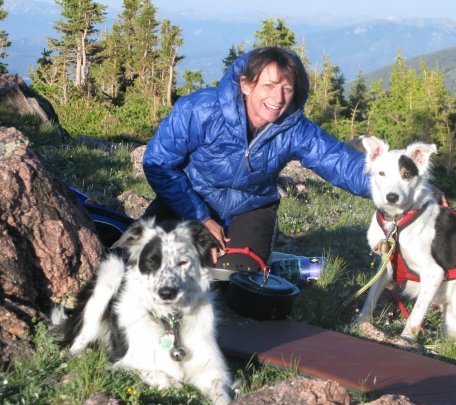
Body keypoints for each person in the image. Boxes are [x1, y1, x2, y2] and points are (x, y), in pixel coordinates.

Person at [143, 46, 371, 272]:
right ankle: (263, 258)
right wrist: (200, 219)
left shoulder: (294, 128)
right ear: (246, 85)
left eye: (287, 89)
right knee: (149, 260)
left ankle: (265, 261)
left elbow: (341, 164)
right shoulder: (200, 110)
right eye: (269, 86)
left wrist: (394, 187)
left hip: (251, 206)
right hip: (189, 199)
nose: (278, 98)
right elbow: (158, 162)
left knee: (236, 274)